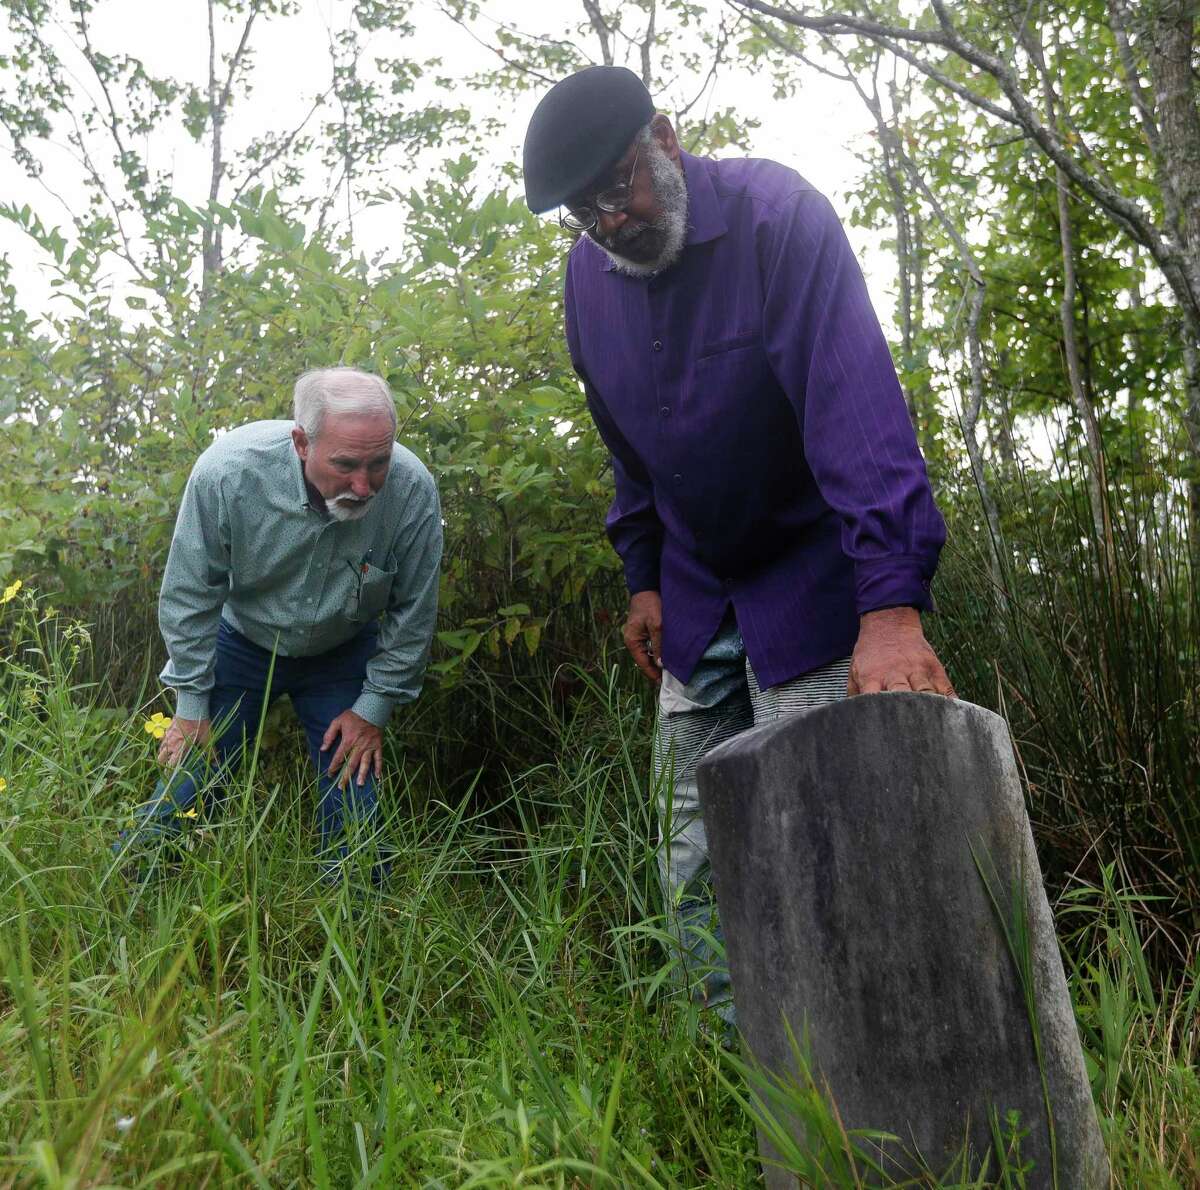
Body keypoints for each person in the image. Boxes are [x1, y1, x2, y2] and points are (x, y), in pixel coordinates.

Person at [522, 66, 954, 1017]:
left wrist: (890, 608)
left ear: (665, 139)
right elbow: (625, 443)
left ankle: (850, 1079)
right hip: (695, 597)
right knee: (693, 855)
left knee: (823, 840)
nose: (607, 223)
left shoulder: (777, 220)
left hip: (812, 590)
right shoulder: (590, 279)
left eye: (616, 188)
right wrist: (643, 576)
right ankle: (731, 1082)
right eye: (581, 213)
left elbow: (860, 420)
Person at [117, 367, 442, 884]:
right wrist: (192, 704)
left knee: (355, 798)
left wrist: (374, 707)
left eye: (378, 463)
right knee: (191, 780)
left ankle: (358, 927)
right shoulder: (228, 473)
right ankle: (133, 893)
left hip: (341, 652)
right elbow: (190, 594)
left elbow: (414, 610)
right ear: (300, 443)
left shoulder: (411, 490)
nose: (364, 485)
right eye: (345, 465)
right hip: (243, 641)